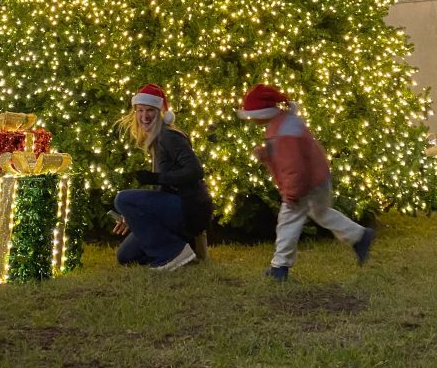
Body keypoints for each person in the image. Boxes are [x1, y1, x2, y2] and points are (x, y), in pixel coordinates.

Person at [236, 83, 375, 282]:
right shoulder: (285, 124)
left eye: (253, 115)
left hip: (304, 185)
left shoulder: (283, 131)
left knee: (287, 222)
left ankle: (279, 267)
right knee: (322, 213)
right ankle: (360, 236)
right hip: (317, 179)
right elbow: (287, 158)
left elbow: (293, 165)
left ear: (263, 112)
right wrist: (267, 155)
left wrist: (292, 193)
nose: (251, 120)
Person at [112, 83, 213, 270]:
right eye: (140, 110)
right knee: (125, 256)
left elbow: (195, 171)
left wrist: (155, 178)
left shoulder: (169, 136)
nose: (144, 116)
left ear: (160, 112)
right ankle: (183, 247)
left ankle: (171, 254)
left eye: (150, 110)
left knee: (122, 198)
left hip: (188, 207)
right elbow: (160, 192)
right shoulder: (156, 140)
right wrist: (134, 218)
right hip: (173, 206)